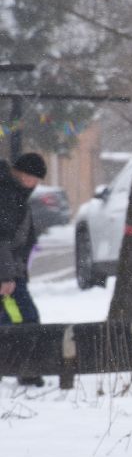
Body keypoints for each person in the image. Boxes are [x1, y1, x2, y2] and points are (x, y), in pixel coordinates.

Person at [1, 153, 45, 385]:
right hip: (7, 274)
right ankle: (28, 369)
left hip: (11, 270)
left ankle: (23, 368)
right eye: (34, 178)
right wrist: (7, 276)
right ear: (22, 174)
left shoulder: (13, 193)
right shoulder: (8, 195)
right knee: (26, 319)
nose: (36, 184)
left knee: (12, 319)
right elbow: (3, 239)